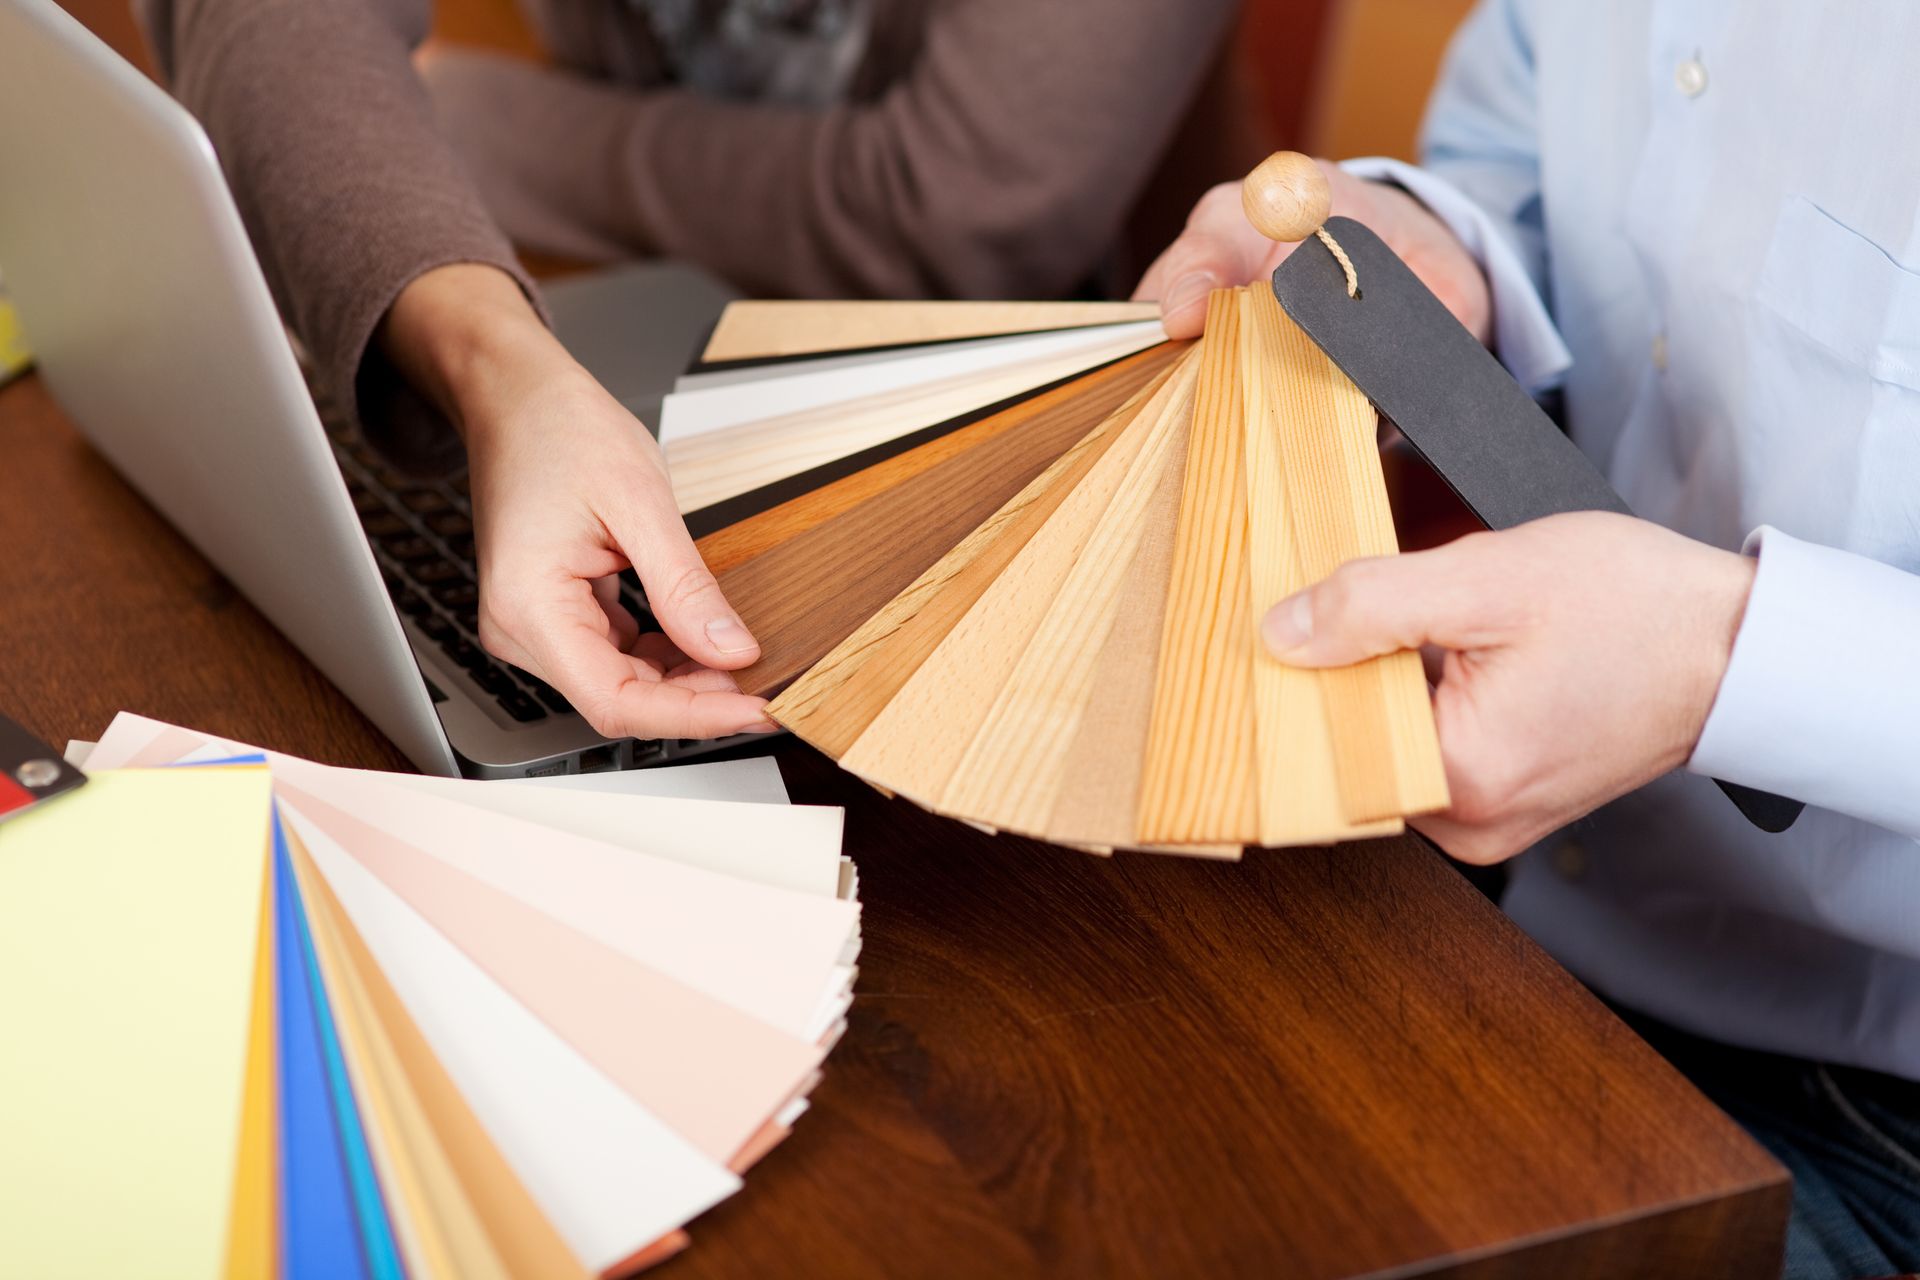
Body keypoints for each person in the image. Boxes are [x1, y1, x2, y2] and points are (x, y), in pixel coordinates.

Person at [1141, 4, 1919, 1277]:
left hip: (1876, 1100)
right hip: (1522, 927)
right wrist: (1437, 262)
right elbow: (1526, 173)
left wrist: (1725, 662)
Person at [134, 0, 1241, 742]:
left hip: (1063, 485)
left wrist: (469, 129)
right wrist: (502, 371)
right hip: (643, 312)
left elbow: (964, 209)